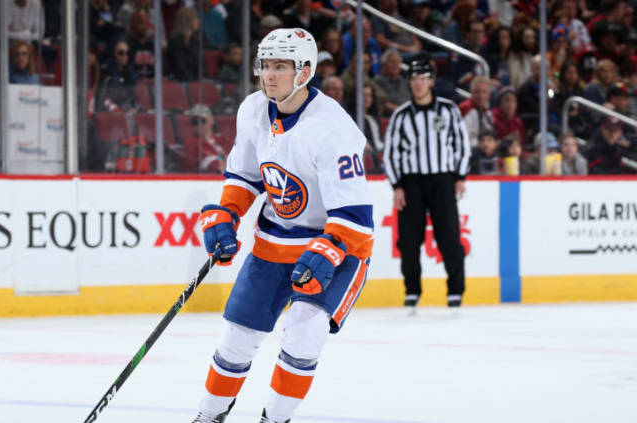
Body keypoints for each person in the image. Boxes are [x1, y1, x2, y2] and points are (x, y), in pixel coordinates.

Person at [190, 27, 373, 423]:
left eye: (280, 66)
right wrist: (226, 214)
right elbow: (245, 176)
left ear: (304, 71)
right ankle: (208, 416)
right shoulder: (253, 109)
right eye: (265, 65)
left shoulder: (332, 129)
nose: (268, 75)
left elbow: (356, 217)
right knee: (237, 339)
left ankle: (274, 419)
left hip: (337, 247)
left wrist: (328, 249)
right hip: (275, 242)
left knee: (303, 333)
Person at [383, 53, 470, 314]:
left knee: (450, 237)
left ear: (431, 81)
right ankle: (412, 291)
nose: (418, 83)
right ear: (409, 83)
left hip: (442, 180)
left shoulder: (448, 110)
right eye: (414, 79)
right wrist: (397, 185)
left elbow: (461, 144)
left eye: (423, 78)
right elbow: (391, 152)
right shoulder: (400, 116)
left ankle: (455, 291)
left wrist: (460, 177)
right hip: (411, 183)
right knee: (409, 241)